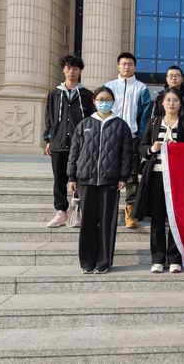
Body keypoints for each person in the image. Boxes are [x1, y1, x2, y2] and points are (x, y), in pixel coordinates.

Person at [67, 86, 133, 274]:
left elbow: (127, 154)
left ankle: (104, 261)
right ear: (94, 101)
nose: (104, 102)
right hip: (86, 180)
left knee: (107, 223)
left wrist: (123, 176)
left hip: (110, 180)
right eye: (101, 99)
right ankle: (87, 261)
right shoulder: (85, 124)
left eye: (108, 99)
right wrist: (71, 176)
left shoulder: (121, 125)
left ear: (113, 101)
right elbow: (74, 152)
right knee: (87, 222)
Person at [133, 87, 184, 274]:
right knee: (157, 219)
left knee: (176, 219)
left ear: (180, 104)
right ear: (162, 103)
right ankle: (158, 259)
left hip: (178, 179)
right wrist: (152, 148)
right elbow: (141, 147)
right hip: (156, 176)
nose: (171, 103)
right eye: (168, 100)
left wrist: (180, 149)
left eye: (175, 100)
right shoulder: (154, 122)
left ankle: (175, 258)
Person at [44, 55, 94, 228]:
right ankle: (61, 211)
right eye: (68, 68)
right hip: (58, 142)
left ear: (80, 71)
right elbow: (49, 118)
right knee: (59, 179)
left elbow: (90, 120)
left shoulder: (87, 95)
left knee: (79, 178)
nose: (71, 71)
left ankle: (77, 210)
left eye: (75, 68)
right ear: (63, 70)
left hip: (80, 144)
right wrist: (48, 139)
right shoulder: (54, 94)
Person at [105, 52, 152, 229]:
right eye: (123, 64)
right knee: (109, 172)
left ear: (135, 67)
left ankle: (130, 211)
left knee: (132, 175)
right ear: (118, 66)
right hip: (111, 136)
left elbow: (145, 116)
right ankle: (108, 210)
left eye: (130, 64)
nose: (127, 67)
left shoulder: (141, 88)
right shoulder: (109, 86)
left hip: (132, 137)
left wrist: (141, 137)